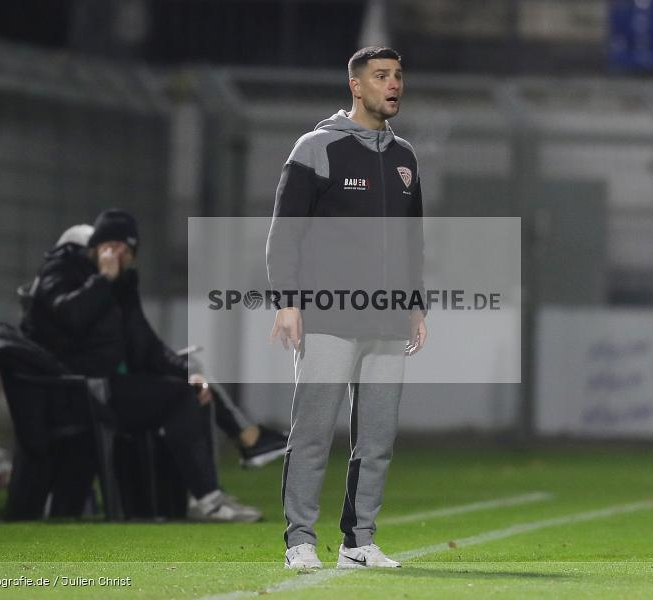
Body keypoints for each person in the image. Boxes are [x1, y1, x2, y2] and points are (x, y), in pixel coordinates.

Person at [267, 46, 427, 569]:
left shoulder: (405, 158)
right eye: (382, 76)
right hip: (328, 318)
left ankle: (359, 542)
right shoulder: (316, 149)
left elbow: (412, 240)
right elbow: (284, 234)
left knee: (377, 439)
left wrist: (415, 305)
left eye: (398, 76)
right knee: (312, 434)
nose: (393, 84)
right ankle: (300, 542)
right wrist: (287, 302)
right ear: (356, 86)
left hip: (386, 319)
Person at [21, 208, 262, 522]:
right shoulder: (62, 269)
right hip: (76, 390)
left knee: (188, 389)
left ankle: (204, 496)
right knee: (177, 397)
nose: (119, 256)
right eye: (112, 246)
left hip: (106, 388)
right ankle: (208, 497)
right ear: (95, 246)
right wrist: (102, 281)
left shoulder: (122, 286)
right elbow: (69, 316)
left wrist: (188, 374)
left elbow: (147, 348)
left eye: (127, 250)